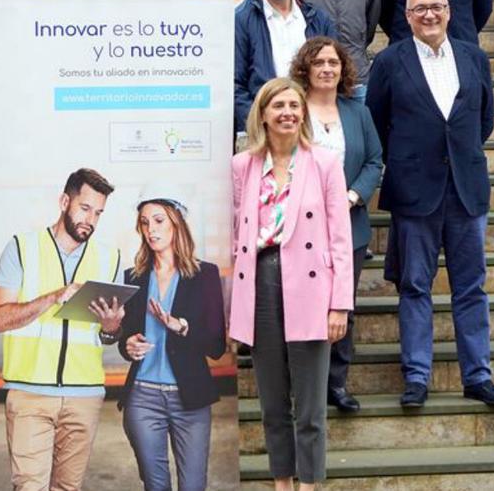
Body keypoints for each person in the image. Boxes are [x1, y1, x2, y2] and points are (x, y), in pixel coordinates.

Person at [366, 0, 494, 408]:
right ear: (407, 16)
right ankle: (416, 376)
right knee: (414, 286)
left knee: (471, 287)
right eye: (420, 8)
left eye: (437, 7)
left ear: (449, 12)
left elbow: (484, 120)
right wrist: (410, 163)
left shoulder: (473, 57)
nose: (429, 15)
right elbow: (376, 123)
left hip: (466, 189)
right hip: (415, 192)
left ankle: (478, 375)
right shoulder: (390, 62)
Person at [230, 77, 354, 491]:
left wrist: (340, 305)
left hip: (311, 287)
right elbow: (236, 237)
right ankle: (282, 482)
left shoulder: (324, 162)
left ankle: (310, 484)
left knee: (311, 405)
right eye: (278, 105)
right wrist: (235, 309)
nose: (287, 112)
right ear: (262, 113)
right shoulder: (242, 166)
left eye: (294, 105)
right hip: (261, 283)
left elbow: (340, 238)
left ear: (303, 113)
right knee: (272, 401)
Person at [0, 168, 126, 491]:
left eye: (98, 213)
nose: (90, 220)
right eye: (84, 208)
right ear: (65, 201)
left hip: (85, 395)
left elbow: (109, 335)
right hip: (29, 393)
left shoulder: (110, 258)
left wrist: (111, 326)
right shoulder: (21, 248)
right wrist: (53, 297)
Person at [289, 37, 383, 413]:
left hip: (350, 224)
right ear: (306, 69)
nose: (327, 69)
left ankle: (336, 384)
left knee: (343, 304)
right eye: (319, 63)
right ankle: (302, 385)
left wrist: (353, 196)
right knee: (302, 305)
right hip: (301, 227)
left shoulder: (357, 111)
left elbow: (375, 160)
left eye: (333, 62)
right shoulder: (293, 110)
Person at [117, 194, 226, 491]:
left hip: (189, 398)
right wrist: (128, 344)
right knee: (156, 486)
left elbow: (217, 346)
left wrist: (181, 327)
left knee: (192, 486)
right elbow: (125, 337)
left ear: (176, 223)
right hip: (143, 397)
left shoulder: (205, 275)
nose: (151, 229)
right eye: (144, 223)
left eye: (158, 220)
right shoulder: (133, 277)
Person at [233, 0, 337, 129]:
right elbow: (235, 84)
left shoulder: (318, 19)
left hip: (311, 125)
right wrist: (258, 124)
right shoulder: (242, 21)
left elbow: (333, 73)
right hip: (264, 128)